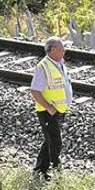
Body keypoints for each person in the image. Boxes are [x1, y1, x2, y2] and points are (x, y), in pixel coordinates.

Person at [30, 36, 73, 181]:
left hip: (59, 110)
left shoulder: (59, 63)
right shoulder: (43, 67)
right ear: (53, 50)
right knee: (55, 142)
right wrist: (49, 108)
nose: (64, 51)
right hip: (48, 112)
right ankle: (56, 171)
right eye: (61, 48)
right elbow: (35, 91)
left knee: (49, 140)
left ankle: (39, 170)